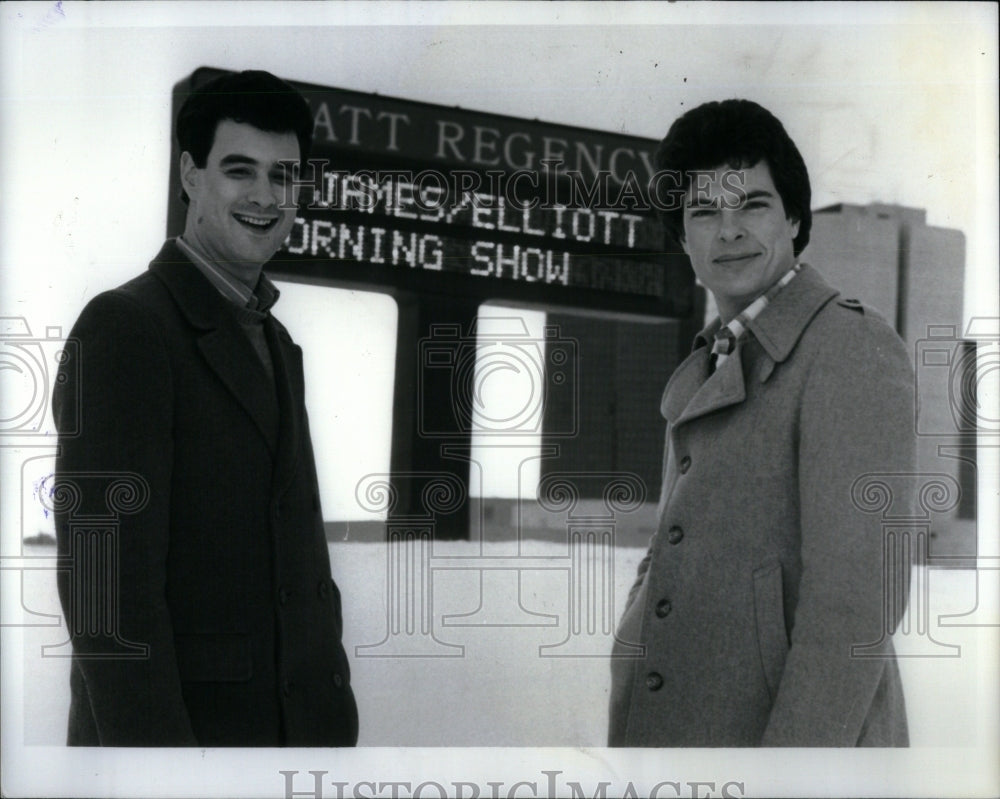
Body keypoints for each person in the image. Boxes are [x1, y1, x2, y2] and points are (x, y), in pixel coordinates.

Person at [51, 70, 358, 746]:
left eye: (284, 176)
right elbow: (106, 594)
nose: (265, 196)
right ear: (190, 175)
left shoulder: (277, 342)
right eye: (239, 170)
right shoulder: (127, 327)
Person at [609, 99, 914, 746]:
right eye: (703, 212)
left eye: (751, 204)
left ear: (794, 217)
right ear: (683, 237)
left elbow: (854, 610)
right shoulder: (714, 355)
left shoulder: (848, 348)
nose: (728, 231)